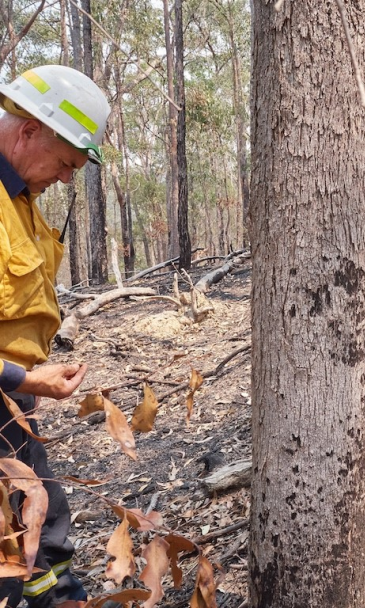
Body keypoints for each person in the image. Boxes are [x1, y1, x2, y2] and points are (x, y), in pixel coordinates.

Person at [0, 65, 110, 607]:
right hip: (8, 391)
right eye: (66, 163)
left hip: (12, 402)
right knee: (10, 550)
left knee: (47, 523)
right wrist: (23, 377)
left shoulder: (18, 199)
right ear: (28, 131)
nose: (67, 179)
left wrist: (26, 382)